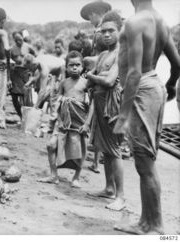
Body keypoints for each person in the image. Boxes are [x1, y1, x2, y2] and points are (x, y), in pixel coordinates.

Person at [113, 0, 180, 235]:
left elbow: (133, 72)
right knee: (146, 160)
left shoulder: (135, 21)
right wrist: (170, 85)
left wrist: (122, 117)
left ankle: (154, 225)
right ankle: (147, 221)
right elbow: (177, 63)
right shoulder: (160, 20)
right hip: (154, 86)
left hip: (141, 89)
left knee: (144, 162)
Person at [81, 11, 125, 211]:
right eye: (103, 31)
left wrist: (94, 75)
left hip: (111, 104)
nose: (106, 35)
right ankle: (109, 188)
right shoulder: (104, 54)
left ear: (120, 30)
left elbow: (108, 81)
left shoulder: (121, 52)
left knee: (114, 150)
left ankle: (121, 196)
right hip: (98, 101)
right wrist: (95, 76)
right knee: (105, 148)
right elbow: (92, 79)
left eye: (111, 31)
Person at [37, 51, 89, 188]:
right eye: (71, 65)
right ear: (66, 67)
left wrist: (88, 123)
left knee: (79, 151)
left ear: (83, 66)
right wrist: (52, 121)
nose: (75, 68)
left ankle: (76, 177)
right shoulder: (64, 83)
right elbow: (57, 103)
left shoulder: (87, 84)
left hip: (79, 123)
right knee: (51, 145)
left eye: (78, 65)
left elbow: (91, 104)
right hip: (63, 122)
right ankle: (54, 175)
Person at [80, 0, 112, 174]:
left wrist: (87, 65)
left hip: (100, 76)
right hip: (100, 75)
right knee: (98, 120)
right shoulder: (104, 32)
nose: (90, 20)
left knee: (97, 118)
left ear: (94, 14)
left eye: (90, 17)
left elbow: (101, 58)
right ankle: (96, 161)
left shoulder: (100, 33)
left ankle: (96, 160)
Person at [10, 31, 35, 118]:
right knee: (14, 95)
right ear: (14, 40)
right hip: (15, 73)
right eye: (16, 40)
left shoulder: (28, 47)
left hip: (25, 72)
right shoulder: (12, 49)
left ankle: (26, 115)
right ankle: (20, 115)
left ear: (22, 38)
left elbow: (35, 57)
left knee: (25, 95)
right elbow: (8, 60)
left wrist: (32, 69)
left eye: (20, 39)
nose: (18, 41)